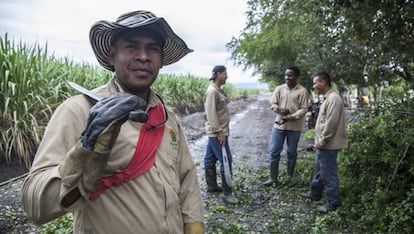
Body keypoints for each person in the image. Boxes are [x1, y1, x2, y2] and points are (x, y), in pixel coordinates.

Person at [21, 10, 204, 233]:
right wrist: (86, 147)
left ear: (161, 60)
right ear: (111, 55)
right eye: (131, 46)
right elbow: (35, 207)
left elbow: (186, 179)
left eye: (152, 48)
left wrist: (194, 225)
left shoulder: (166, 117)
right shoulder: (80, 110)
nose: (143, 56)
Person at [302, 72, 347, 213]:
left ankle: (333, 203)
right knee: (318, 170)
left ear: (323, 83)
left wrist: (322, 140)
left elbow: (331, 123)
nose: (314, 86)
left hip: (328, 144)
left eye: (315, 83)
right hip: (323, 143)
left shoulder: (333, 99)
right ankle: (315, 194)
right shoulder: (328, 98)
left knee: (328, 173)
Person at [263, 66, 309, 186]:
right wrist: (279, 109)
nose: (287, 78)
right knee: (274, 151)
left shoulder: (302, 91)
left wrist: (292, 116)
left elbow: (304, 109)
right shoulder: (279, 89)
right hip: (279, 126)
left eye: (290, 75)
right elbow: (272, 103)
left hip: (294, 127)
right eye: (286, 75)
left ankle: (289, 178)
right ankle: (273, 178)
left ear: (296, 76)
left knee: (291, 152)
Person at [204, 65, 237, 204]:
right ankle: (227, 193)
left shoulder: (218, 90)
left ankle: (212, 186)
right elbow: (211, 114)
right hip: (217, 133)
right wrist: (219, 133)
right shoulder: (212, 91)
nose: (226, 76)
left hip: (217, 132)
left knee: (210, 158)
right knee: (226, 160)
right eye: (225, 74)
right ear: (218, 74)